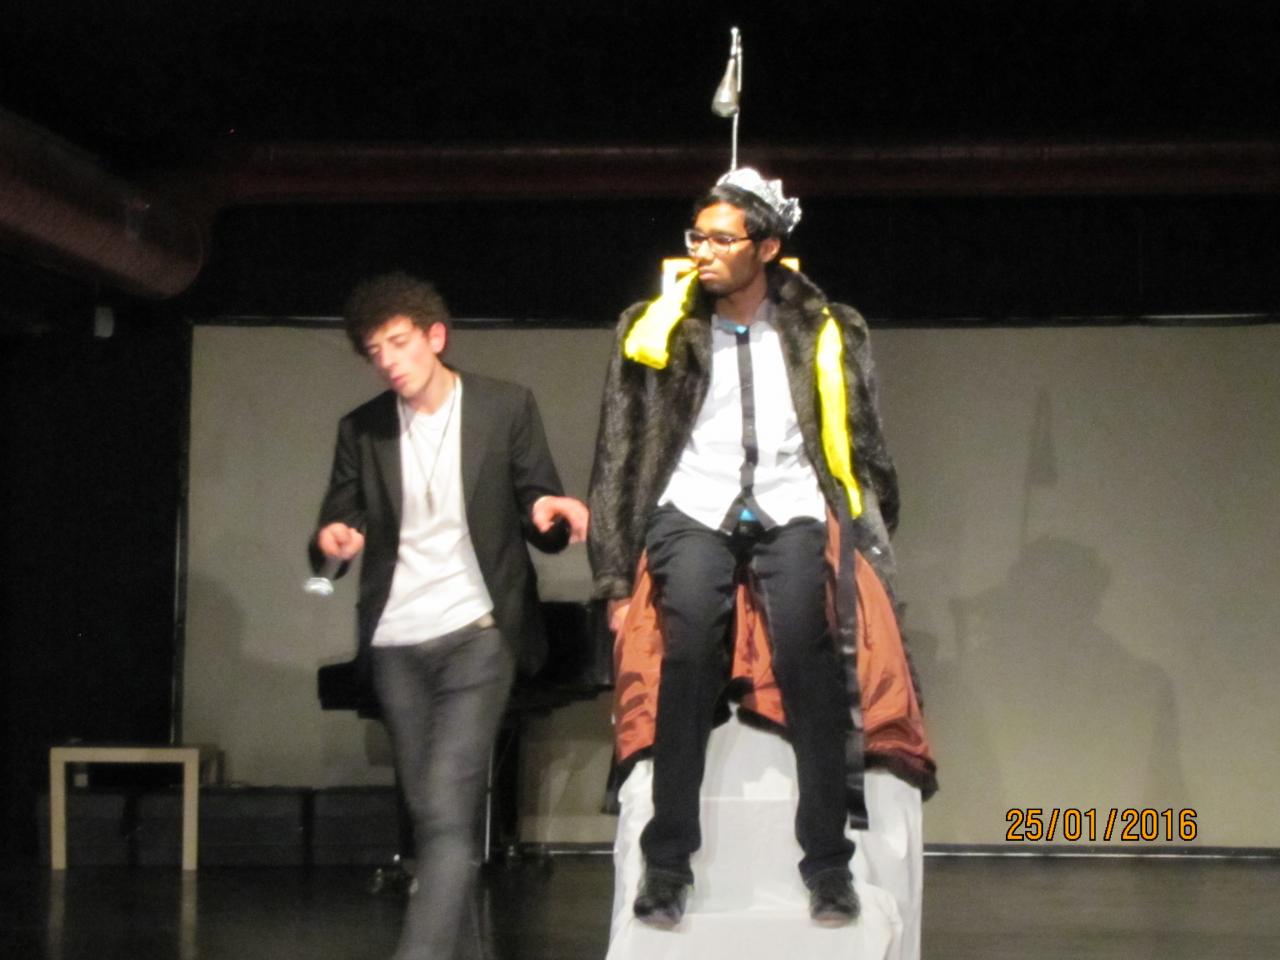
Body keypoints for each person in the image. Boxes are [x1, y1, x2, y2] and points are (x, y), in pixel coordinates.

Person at [588, 168, 907, 929]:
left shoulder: (825, 328)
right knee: (690, 650)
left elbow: (862, 440)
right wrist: (614, 575)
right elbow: (618, 451)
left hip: (790, 502)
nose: (702, 251)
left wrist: (872, 536)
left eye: (721, 239)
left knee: (807, 653)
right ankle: (669, 863)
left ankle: (827, 865)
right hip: (692, 505)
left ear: (765, 248)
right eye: (696, 237)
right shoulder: (657, 325)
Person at [309, 272, 589, 960]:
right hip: (397, 641)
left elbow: (537, 501)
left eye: (399, 342)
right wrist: (331, 545)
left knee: (444, 801)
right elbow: (336, 526)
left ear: (435, 336)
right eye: (375, 351)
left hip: (479, 633)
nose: (388, 360)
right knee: (434, 814)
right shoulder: (363, 429)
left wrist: (552, 515)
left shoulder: (504, 406)